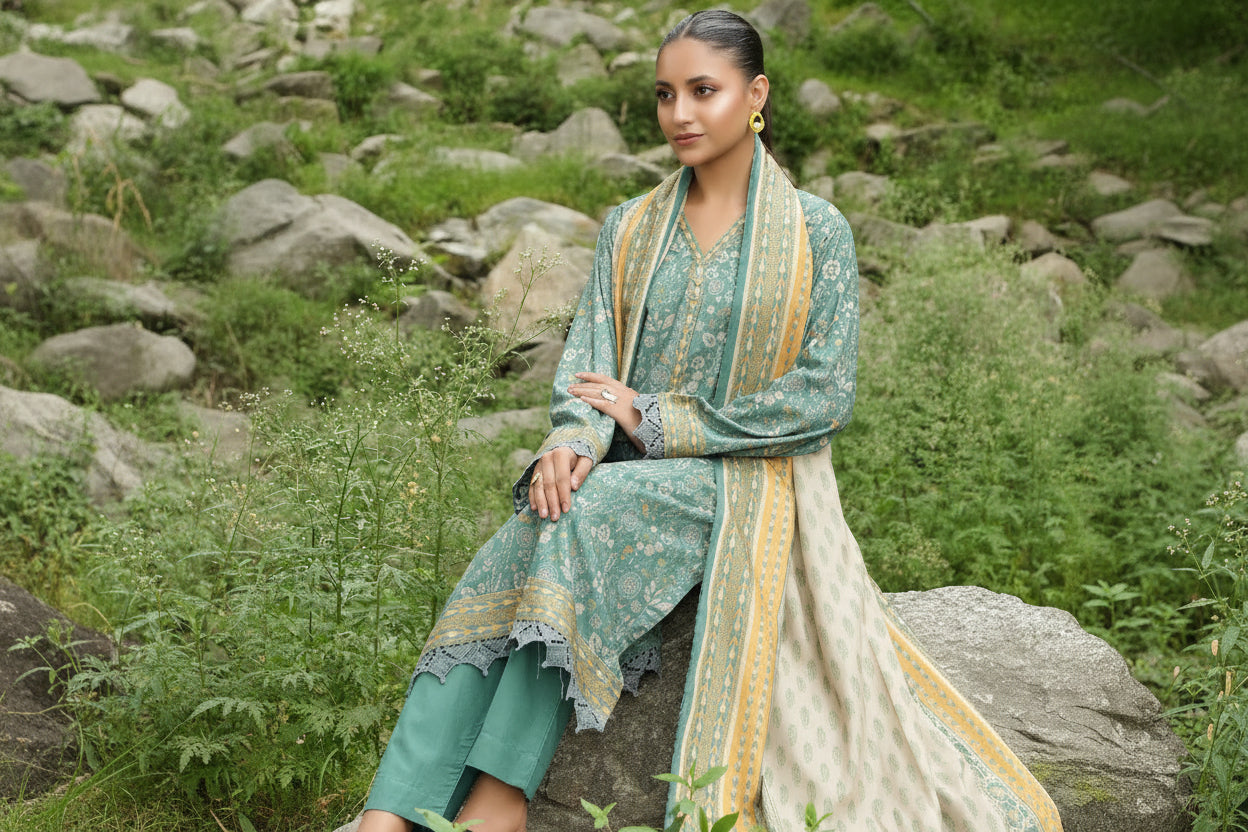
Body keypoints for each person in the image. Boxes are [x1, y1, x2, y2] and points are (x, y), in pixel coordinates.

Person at [358, 10, 1063, 832]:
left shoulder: (815, 234)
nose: (680, 114)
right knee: (532, 523)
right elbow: (591, 369)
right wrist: (571, 442)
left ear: (755, 94)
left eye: (704, 91)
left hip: (748, 478)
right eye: (665, 95)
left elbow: (823, 396)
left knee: (588, 516)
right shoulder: (630, 227)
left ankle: (496, 798)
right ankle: (390, 810)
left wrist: (661, 418)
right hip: (631, 469)